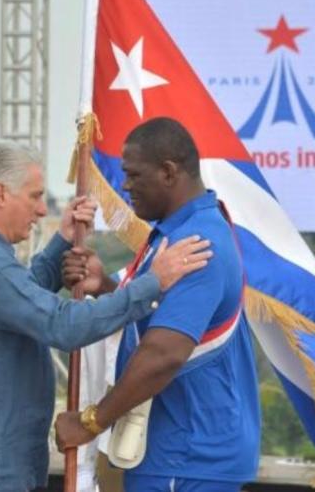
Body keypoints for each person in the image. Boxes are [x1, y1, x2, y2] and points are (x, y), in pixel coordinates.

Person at [0, 140, 212, 492]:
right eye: (34, 196)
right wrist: (153, 283)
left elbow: (13, 305)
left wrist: (61, 244)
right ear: (1, 193)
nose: (40, 210)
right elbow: (62, 325)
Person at [55, 117, 261, 492]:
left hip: (189, 457)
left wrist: (90, 422)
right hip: (175, 450)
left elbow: (163, 354)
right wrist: (103, 286)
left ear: (168, 172)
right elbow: (154, 306)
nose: (126, 185)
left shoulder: (199, 243)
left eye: (134, 175)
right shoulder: (176, 232)